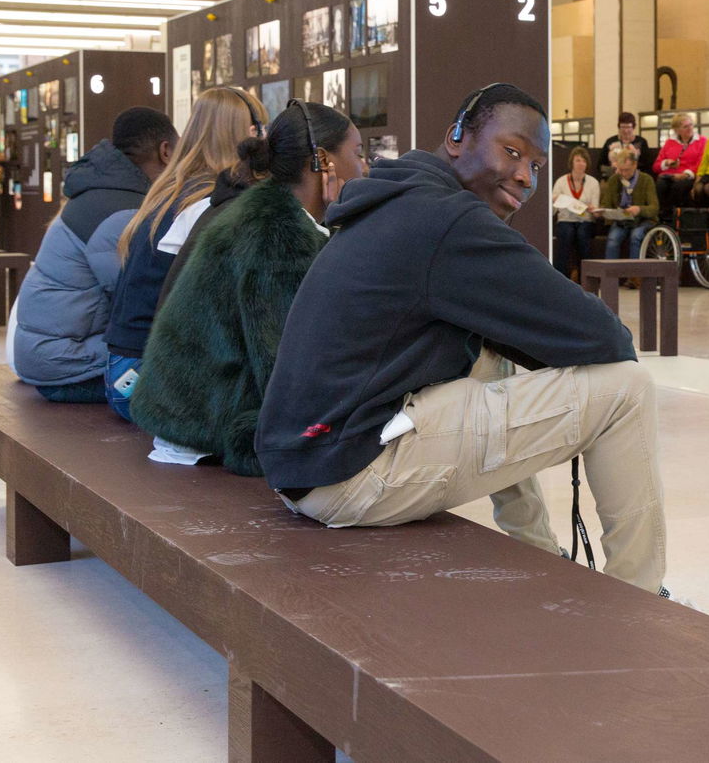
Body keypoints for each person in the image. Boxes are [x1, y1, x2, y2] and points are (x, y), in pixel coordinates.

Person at [256, 83, 668, 594]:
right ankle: (639, 596)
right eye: (512, 151)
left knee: (487, 359)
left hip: (304, 464)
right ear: (456, 138)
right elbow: (608, 338)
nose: (525, 176)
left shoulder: (401, 198)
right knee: (627, 389)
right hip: (349, 475)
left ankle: (539, 551)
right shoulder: (448, 219)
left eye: (537, 166)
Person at [130, 102, 365, 474]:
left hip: (192, 410)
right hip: (202, 428)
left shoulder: (272, 213)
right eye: (358, 153)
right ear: (323, 161)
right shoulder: (276, 233)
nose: (364, 167)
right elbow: (282, 363)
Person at [104, 87, 266, 420]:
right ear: (246, 133)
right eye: (260, 130)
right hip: (146, 379)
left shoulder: (172, 191)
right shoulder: (209, 203)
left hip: (124, 368)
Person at [11, 108, 177, 403]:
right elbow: (136, 304)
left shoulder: (102, 193)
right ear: (166, 152)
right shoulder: (121, 213)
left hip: (50, 354)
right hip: (64, 368)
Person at [599, 145, 658, 259]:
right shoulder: (614, 180)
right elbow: (606, 204)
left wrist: (639, 209)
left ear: (635, 165)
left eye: (626, 170)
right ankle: (610, 269)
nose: (623, 174)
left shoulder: (646, 180)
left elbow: (654, 208)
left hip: (642, 220)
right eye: (620, 170)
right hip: (622, 220)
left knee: (636, 237)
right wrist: (600, 210)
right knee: (612, 240)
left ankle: (634, 270)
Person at [550, 144, 598, 281]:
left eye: (583, 161)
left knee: (583, 235)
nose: (581, 163)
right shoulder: (561, 181)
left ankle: (587, 279)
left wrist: (593, 209)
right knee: (566, 234)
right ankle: (560, 279)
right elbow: (553, 209)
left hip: (585, 220)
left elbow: (595, 208)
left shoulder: (593, 182)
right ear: (572, 162)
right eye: (578, 160)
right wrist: (554, 200)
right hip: (566, 219)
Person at [652, 113, 706, 212]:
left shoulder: (702, 141)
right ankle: (662, 215)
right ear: (677, 130)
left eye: (691, 125)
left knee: (679, 186)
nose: (690, 128)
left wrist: (686, 174)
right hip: (669, 175)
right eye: (685, 127)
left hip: (689, 176)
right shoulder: (669, 142)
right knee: (660, 184)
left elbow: (701, 163)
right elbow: (656, 167)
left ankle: (675, 215)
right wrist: (666, 163)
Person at [596, 111, 654, 177]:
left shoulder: (641, 142)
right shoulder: (610, 142)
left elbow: (647, 165)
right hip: (614, 176)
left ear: (633, 127)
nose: (626, 131)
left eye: (628, 127)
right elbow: (600, 165)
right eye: (623, 127)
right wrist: (613, 167)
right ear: (619, 127)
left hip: (636, 177)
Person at [691, 136, 709, 207]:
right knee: (698, 188)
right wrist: (696, 182)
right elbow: (704, 162)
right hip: (708, 174)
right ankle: (703, 211)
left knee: (708, 188)